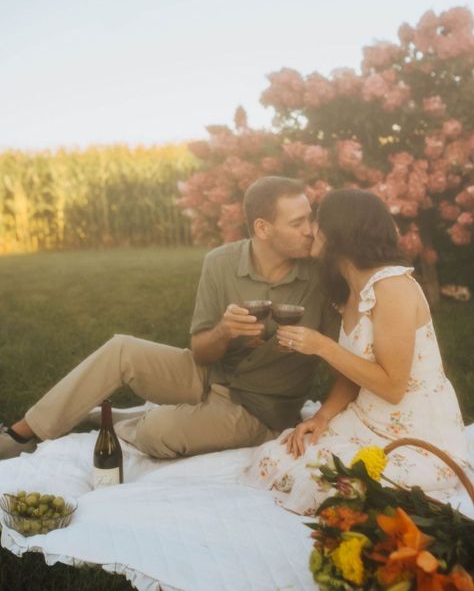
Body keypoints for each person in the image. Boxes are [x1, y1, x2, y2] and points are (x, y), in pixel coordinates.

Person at [0, 176, 339, 461]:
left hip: (259, 410)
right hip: (211, 374)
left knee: (157, 431)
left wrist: (322, 415)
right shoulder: (220, 262)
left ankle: (127, 419)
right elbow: (200, 353)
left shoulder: (322, 276)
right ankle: (22, 434)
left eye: (310, 218)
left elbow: (343, 359)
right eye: (298, 223)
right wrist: (223, 331)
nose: (311, 230)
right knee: (122, 349)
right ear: (263, 228)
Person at [241, 189, 468, 515]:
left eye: (317, 221)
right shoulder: (351, 291)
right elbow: (354, 375)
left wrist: (322, 346)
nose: (310, 230)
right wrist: (321, 418)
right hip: (366, 418)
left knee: (333, 484)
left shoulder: (392, 288)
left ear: (341, 233)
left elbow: (392, 386)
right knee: (275, 456)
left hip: (414, 432)